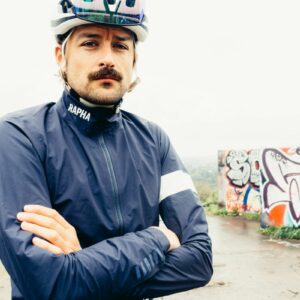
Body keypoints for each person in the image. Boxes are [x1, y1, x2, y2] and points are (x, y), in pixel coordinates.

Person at [0, 0, 213, 299]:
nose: (107, 59)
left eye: (121, 46)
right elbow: (46, 284)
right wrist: (156, 238)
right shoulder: (19, 135)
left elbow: (200, 261)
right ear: (61, 56)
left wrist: (81, 270)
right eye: (90, 43)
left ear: (134, 59)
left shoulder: (155, 141)